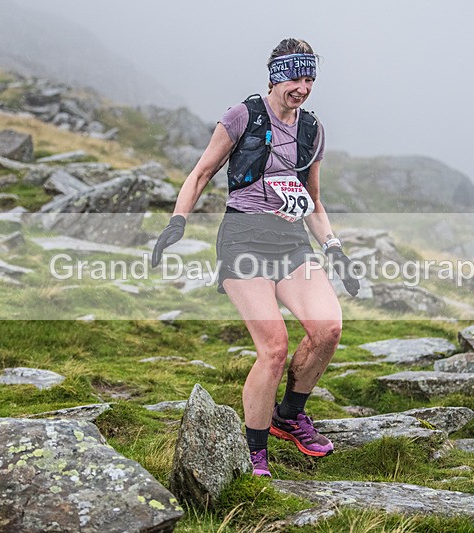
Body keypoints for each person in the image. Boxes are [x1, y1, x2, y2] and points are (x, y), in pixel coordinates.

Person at [152, 38, 359, 478]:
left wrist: (334, 249)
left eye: (310, 79)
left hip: (290, 242)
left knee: (328, 328)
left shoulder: (312, 131)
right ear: (275, 76)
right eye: (295, 78)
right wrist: (177, 222)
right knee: (274, 347)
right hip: (243, 239)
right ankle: (255, 451)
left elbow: (314, 201)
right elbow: (202, 172)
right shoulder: (242, 116)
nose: (302, 88)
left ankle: (290, 414)